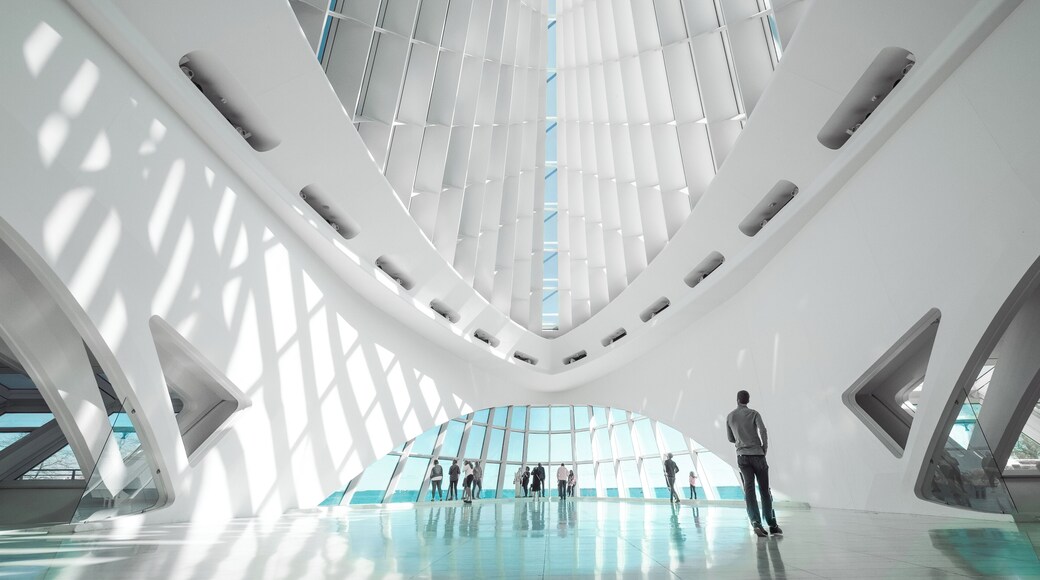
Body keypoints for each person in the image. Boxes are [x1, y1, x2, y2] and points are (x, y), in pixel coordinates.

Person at [727, 389, 782, 537]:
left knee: (749, 490)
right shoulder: (754, 413)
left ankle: (756, 522)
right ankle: (772, 524)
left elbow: (730, 439)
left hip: (742, 457)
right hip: (758, 454)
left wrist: (740, 439)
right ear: (748, 400)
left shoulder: (730, 416)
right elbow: (763, 430)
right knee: (764, 490)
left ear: (737, 400)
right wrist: (764, 447)